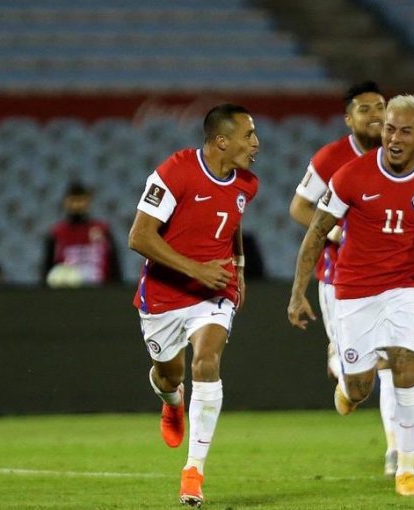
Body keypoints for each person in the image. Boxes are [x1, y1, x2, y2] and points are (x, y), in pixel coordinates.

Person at [288, 95, 414, 497]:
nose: (395, 138)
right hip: (355, 291)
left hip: (406, 288)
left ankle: (406, 469)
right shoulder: (350, 175)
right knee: (363, 386)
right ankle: (347, 390)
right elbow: (315, 232)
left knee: (406, 369)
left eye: (405, 131)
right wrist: (298, 292)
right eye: (389, 129)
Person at [128, 104, 260, 507]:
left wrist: (235, 267)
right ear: (222, 140)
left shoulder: (248, 184)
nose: (255, 143)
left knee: (207, 361)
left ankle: (193, 471)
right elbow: (139, 237)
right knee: (169, 375)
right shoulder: (175, 172)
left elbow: (231, 222)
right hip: (165, 294)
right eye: (248, 135)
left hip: (214, 292)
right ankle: (172, 401)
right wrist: (195, 270)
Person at [288, 81, 401, 476]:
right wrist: (335, 232)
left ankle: (395, 452)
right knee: (357, 383)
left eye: (380, 106)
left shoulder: (399, 156)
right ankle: (341, 367)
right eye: (364, 108)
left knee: (388, 361)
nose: (374, 114)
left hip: (389, 277)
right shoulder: (331, 157)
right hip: (340, 279)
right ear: (348, 118)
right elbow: (299, 207)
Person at [42, 181, 121, 287]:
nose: (77, 205)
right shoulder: (57, 233)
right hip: (67, 294)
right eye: (73, 200)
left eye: (80, 200)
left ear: (88, 201)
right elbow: (48, 268)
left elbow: (114, 264)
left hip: (100, 293)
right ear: (66, 202)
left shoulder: (102, 230)